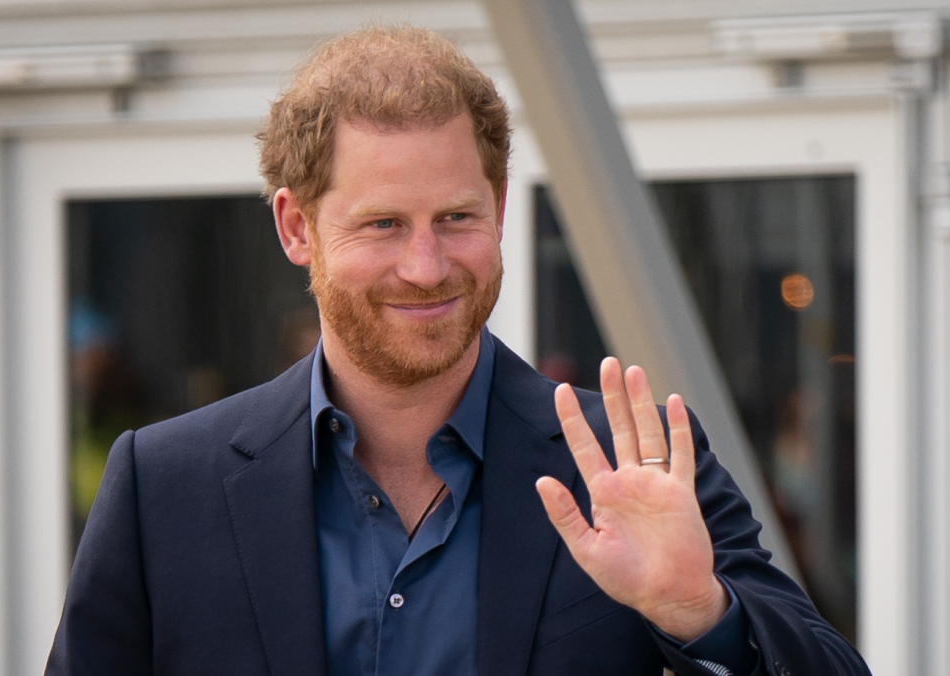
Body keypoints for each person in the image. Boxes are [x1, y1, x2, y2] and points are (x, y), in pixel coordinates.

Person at [45, 26, 870, 676]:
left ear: (500, 206)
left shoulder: (634, 462)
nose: (427, 266)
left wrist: (702, 613)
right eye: (383, 224)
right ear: (297, 227)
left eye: (456, 218)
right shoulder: (164, 489)